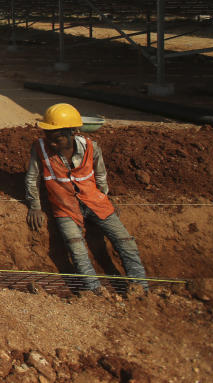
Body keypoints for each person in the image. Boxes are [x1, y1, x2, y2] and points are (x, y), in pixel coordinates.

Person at [26, 103, 148, 293]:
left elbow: (100, 176)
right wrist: (35, 206)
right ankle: (94, 291)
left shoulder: (91, 147)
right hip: (65, 207)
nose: (52, 143)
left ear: (72, 133)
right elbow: (32, 178)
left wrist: (103, 200)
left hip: (96, 203)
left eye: (57, 138)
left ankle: (141, 288)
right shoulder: (40, 148)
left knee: (125, 242)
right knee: (76, 247)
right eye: (48, 137)